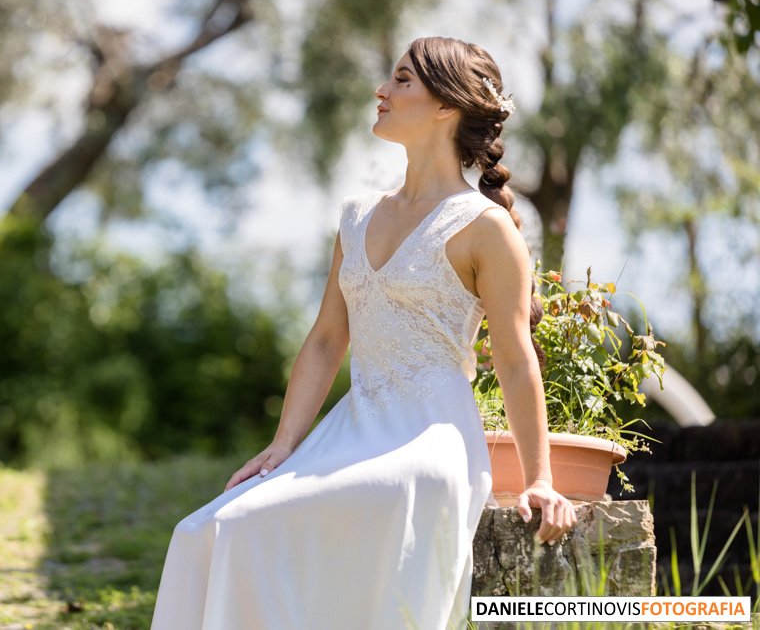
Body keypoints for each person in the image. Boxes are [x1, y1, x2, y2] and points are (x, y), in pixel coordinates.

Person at [149, 35, 577, 630]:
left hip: (426, 446)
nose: (381, 90)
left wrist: (540, 479)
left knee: (276, 529)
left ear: (446, 105)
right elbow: (327, 338)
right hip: (346, 431)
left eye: (401, 80)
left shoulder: (487, 229)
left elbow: (513, 357)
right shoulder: (356, 215)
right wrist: (282, 445)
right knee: (205, 530)